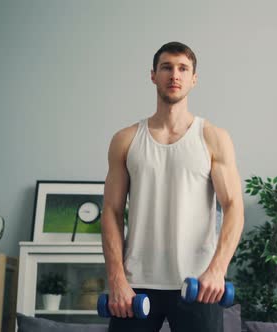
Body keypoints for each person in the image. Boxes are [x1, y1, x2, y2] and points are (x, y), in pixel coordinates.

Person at [101, 41, 245, 332]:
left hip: (198, 283)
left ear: (194, 79)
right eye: (166, 67)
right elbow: (112, 211)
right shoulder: (126, 139)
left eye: (183, 68)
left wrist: (217, 270)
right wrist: (117, 278)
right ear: (153, 75)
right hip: (136, 285)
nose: (174, 75)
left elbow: (233, 207)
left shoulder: (212, 137)